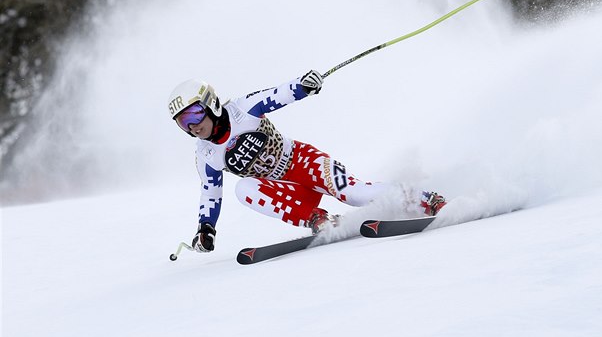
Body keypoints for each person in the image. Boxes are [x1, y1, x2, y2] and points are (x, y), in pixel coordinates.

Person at [167, 70, 447, 253]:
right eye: (182, 123)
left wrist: (302, 86)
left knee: (355, 194)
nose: (192, 126)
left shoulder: (241, 109)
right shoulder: (205, 155)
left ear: (211, 104)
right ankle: (319, 220)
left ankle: (427, 200)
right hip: (286, 190)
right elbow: (210, 194)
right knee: (243, 190)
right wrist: (206, 228)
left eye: (194, 114)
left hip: (303, 162)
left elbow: (274, 96)